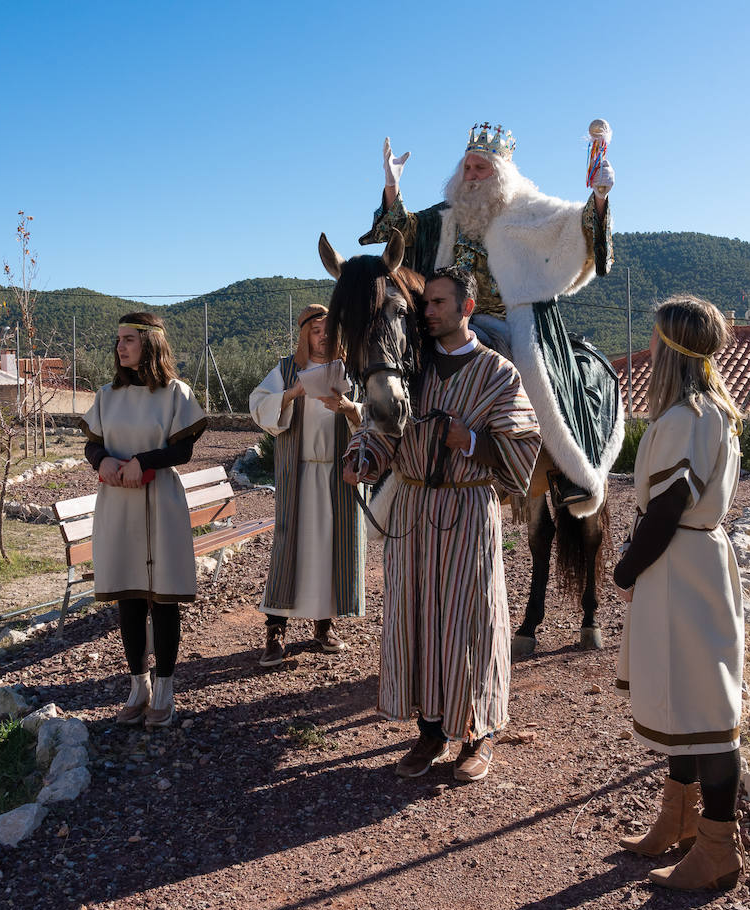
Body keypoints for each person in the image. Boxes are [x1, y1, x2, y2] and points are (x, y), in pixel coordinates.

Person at [359, 122, 621, 517]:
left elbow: (577, 229)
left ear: (500, 172)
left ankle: (563, 470)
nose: (471, 176)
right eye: (467, 168)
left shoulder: (528, 211)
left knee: (535, 372)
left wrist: (599, 199)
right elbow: (401, 228)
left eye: (480, 169)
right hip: (442, 319)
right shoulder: (446, 216)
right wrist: (392, 187)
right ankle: (382, 458)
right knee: (396, 364)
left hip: (505, 321)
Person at [343, 266, 541, 782]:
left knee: (471, 621)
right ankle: (430, 730)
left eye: (437, 304)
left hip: (469, 512)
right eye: (424, 304)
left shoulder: (499, 373)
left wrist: (470, 440)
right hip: (413, 512)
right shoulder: (413, 370)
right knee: (419, 618)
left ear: (465, 308)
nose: (426, 312)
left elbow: (523, 448)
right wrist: (362, 457)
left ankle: (478, 735)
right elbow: (380, 429)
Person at [611, 294, 746, 890]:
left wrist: (625, 568)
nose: (651, 349)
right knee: (689, 700)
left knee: (709, 711)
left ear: (671, 348)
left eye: (656, 339)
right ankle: (680, 819)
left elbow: (668, 507)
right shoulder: (712, 410)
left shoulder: (684, 418)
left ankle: (717, 847)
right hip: (694, 561)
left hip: (681, 563)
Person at [81, 312, 207, 728]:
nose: (120, 347)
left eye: (129, 340)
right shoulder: (107, 395)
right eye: (118, 339)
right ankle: (139, 688)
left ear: (150, 344)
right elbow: (91, 446)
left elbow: (182, 452)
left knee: (164, 599)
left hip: (161, 504)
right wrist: (104, 462)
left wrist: (141, 462)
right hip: (118, 503)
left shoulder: (176, 394)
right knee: (129, 599)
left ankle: (166, 692)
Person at [249, 303, 366, 667]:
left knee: (331, 550)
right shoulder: (287, 370)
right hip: (298, 475)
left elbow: (372, 415)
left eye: (329, 329)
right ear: (305, 335)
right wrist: (292, 393)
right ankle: (275, 631)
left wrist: (348, 408)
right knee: (289, 550)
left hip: (338, 477)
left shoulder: (348, 370)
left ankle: (324, 626)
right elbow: (258, 405)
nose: (324, 336)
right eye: (316, 330)